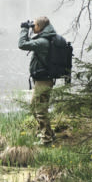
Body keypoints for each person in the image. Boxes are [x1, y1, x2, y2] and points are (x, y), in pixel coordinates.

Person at [19, 15, 58, 145]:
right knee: (34, 107)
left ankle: (46, 139)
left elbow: (22, 44)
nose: (32, 26)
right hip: (42, 79)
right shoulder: (46, 38)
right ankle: (49, 133)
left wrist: (24, 29)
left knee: (40, 109)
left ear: (40, 27)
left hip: (44, 80)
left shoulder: (43, 42)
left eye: (34, 25)